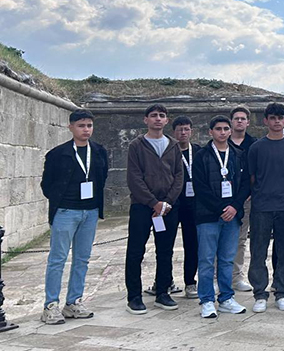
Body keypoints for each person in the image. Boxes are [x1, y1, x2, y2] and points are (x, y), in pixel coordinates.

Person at [39, 109, 109, 325]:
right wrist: (62, 201)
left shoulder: (99, 151)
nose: (86, 130)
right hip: (66, 211)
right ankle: (51, 305)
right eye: (81, 125)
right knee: (58, 258)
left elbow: (102, 177)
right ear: (71, 127)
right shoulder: (57, 154)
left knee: (82, 258)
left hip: (90, 211)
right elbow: (47, 185)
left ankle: (73, 302)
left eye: (89, 125)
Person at [124, 104, 184, 315]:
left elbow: (179, 175)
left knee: (165, 250)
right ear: (146, 120)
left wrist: (167, 202)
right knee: (135, 251)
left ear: (166, 120)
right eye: (153, 115)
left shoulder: (173, 145)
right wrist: (153, 203)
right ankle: (134, 296)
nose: (158, 119)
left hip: (167, 208)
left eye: (162, 115)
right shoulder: (136, 145)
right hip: (142, 206)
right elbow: (134, 178)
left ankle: (162, 292)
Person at [192, 116, 250, 318]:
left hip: (232, 216)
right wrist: (221, 209)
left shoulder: (238, 155)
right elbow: (200, 187)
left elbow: (245, 184)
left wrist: (234, 207)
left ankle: (226, 298)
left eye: (226, 128)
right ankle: (207, 300)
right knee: (207, 260)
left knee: (227, 259)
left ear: (230, 131)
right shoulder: (201, 156)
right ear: (211, 132)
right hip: (208, 216)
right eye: (218, 129)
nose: (222, 132)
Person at [246, 102, 284, 313]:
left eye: (280, 118)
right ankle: (260, 293)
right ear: (265, 121)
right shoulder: (256, 147)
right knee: (258, 250)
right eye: (273, 118)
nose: (277, 122)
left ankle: (282, 291)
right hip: (262, 206)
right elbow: (252, 177)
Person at [171, 116, 201, 299]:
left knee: (192, 244)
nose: (183, 133)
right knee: (165, 244)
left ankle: (190, 282)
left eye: (186, 129)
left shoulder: (198, 151)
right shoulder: (169, 151)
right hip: (173, 203)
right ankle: (165, 281)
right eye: (180, 129)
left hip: (193, 204)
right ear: (174, 132)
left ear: (191, 131)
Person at [228, 105, 256, 293]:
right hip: (223, 200)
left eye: (243, 118)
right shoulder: (220, 141)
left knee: (240, 239)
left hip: (245, 199)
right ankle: (217, 277)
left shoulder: (254, 144)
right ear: (231, 121)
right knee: (220, 238)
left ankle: (236, 277)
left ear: (248, 122)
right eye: (236, 118)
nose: (239, 121)